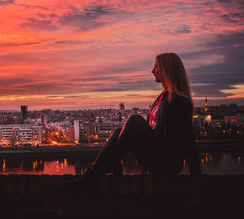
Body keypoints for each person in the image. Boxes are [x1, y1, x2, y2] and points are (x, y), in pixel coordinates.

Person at [66, 52, 201, 191]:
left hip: (166, 162)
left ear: (167, 70)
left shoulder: (178, 100)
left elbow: (188, 140)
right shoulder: (163, 97)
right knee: (120, 130)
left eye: (156, 67)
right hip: (157, 152)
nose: (152, 71)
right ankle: (97, 173)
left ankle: (94, 175)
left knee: (134, 119)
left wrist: (196, 178)